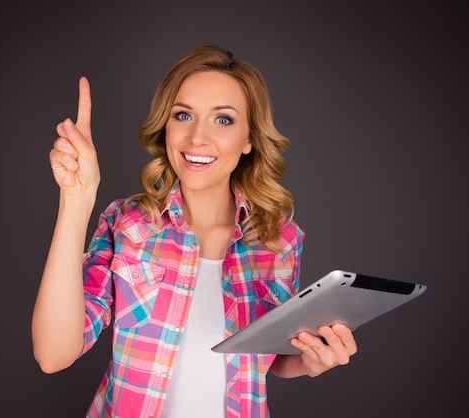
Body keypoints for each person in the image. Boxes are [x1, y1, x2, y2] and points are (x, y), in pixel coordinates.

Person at [31, 45, 358, 418]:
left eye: (223, 120)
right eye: (183, 115)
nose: (197, 138)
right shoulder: (127, 224)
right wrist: (76, 199)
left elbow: (268, 356)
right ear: (165, 126)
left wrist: (310, 361)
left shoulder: (279, 241)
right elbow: (52, 354)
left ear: (249, 139)